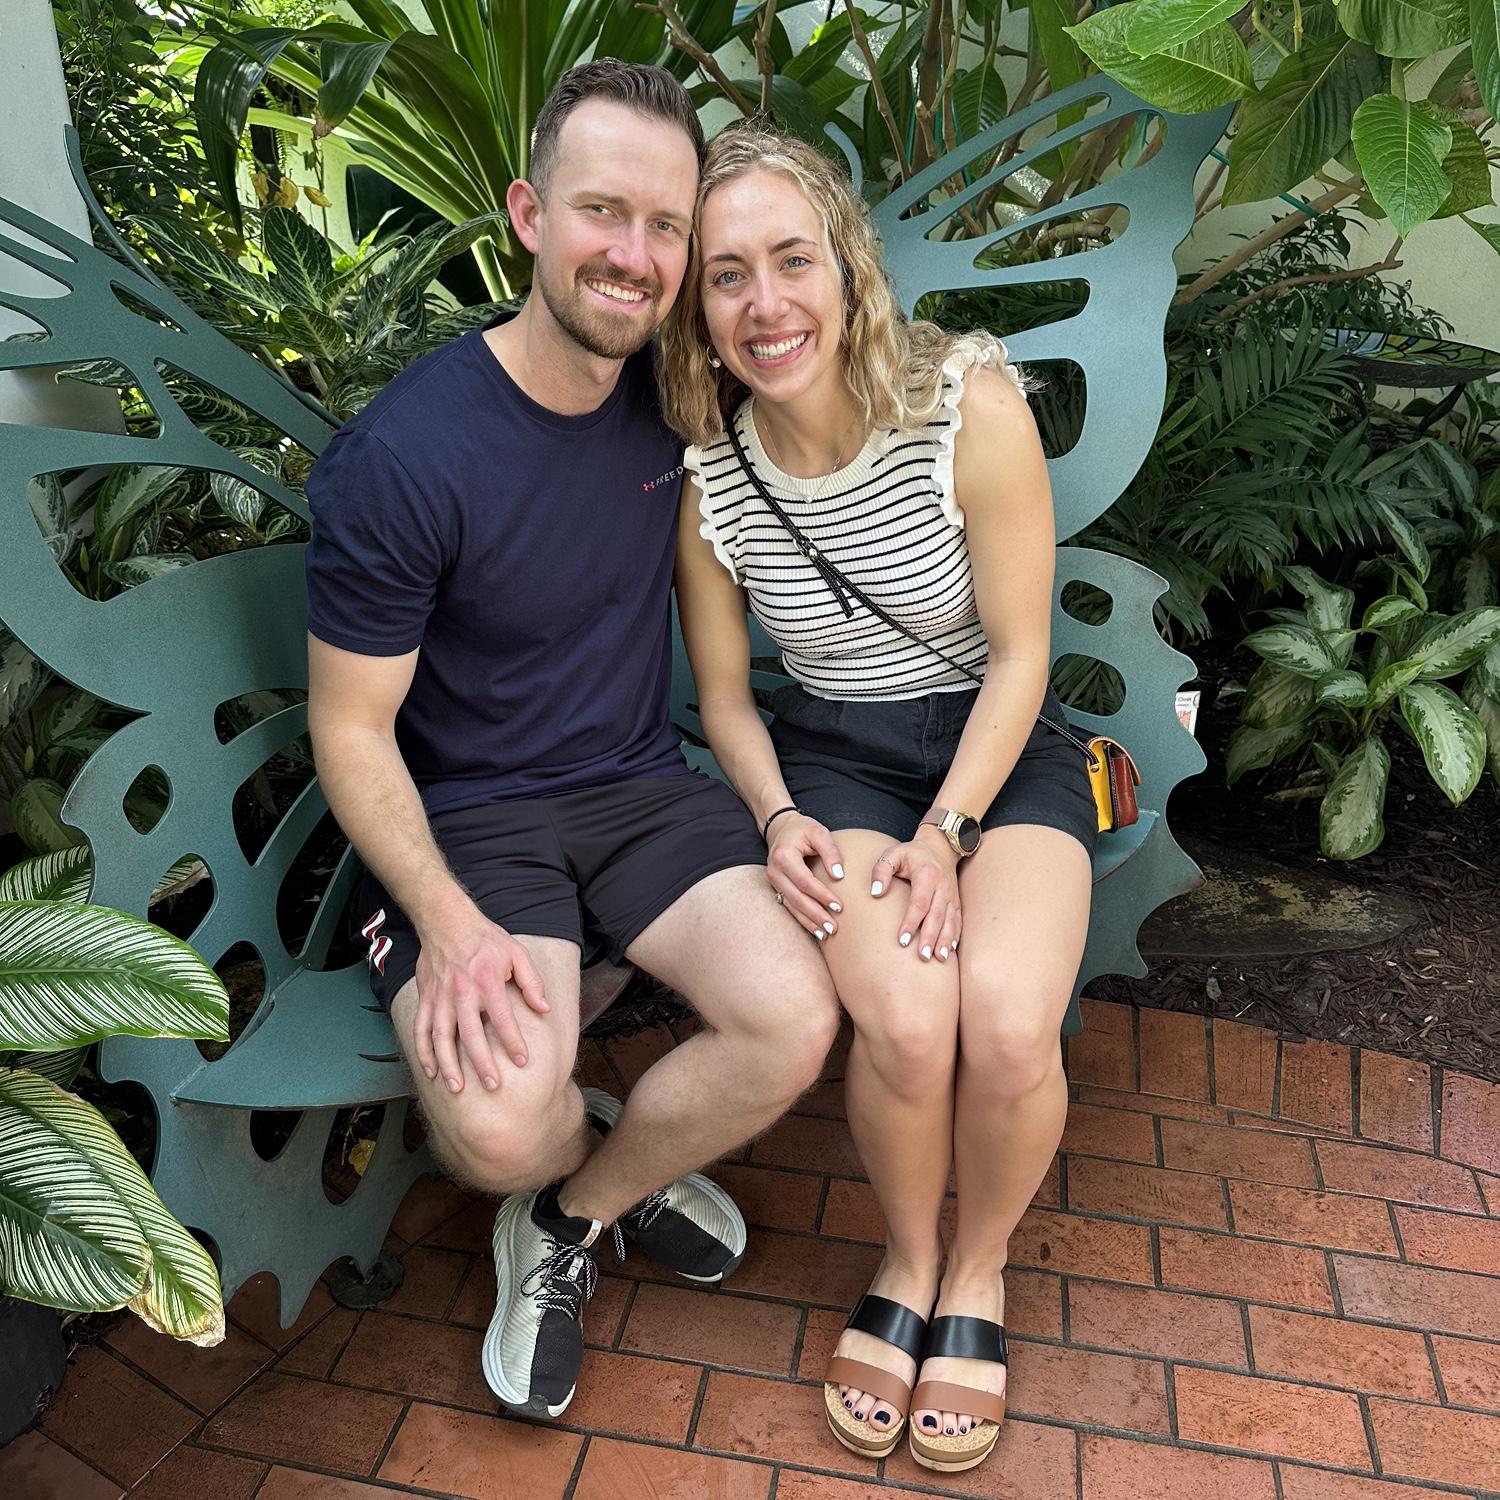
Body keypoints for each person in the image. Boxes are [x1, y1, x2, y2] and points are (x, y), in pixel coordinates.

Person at [304, 66, 840, 1423]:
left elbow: (832, 354)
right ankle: (570, 1158)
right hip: (471, 819)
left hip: (635, 787)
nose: (638, 254)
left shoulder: (674, 396)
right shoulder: (408, 456)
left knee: (793, 1020)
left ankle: (574, 1216)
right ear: (528, 215)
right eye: (605, 211)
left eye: (668, 226)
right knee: (494, 1129)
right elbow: (351, 729)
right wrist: (447, 921)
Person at [660, 126, 1097, 1474]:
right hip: (839, 756)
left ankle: (979, 1270)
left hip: (1000, 748)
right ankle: (905, 1266)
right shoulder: (711, 474)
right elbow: (731, 697)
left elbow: (1024, 655)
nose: (765, 304)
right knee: (906, 1024)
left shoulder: (965, 403)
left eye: (792, 259)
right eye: (727, 276)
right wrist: (782, 813)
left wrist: (950, 834)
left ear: (846, 264)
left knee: (1009, 1024)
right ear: (699, 309)